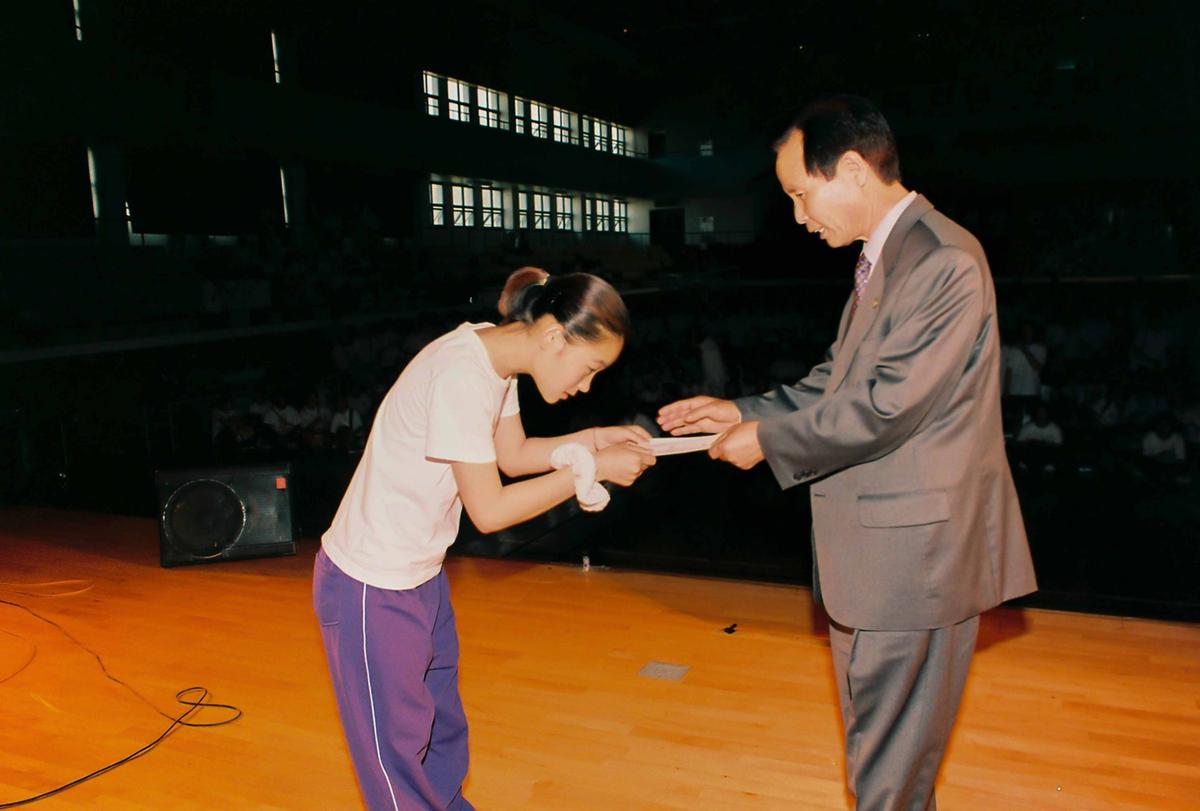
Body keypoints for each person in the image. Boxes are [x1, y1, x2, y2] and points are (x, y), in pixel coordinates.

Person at [658, 95, 1037, 810]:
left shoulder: (940, 260)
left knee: (888, 773)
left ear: (855, 170)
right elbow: (836, 381)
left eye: (803, 194)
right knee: (885, 759)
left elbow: (885, 409)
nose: (800, 217)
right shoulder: (889, 256)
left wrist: (766, 440)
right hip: (885, 557)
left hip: (914, 561)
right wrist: (742, 409)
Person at [314, 267, 655, 810]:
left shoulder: (494, 360)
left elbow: (513, 456)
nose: (586, 386)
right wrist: (590, 469)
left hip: (419, 577)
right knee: (395, 760)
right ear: (551, 337)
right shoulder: (461, 374)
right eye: (589, 369)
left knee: (442, 733)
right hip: (368, 586)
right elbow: (490, 511)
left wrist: (592, 439)